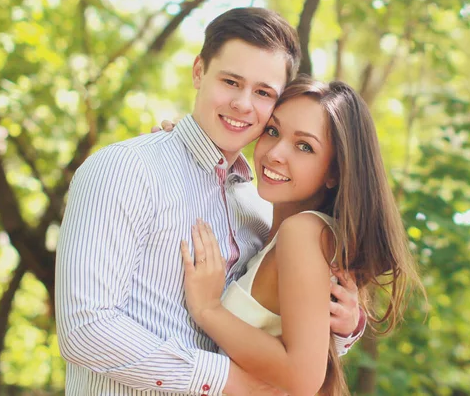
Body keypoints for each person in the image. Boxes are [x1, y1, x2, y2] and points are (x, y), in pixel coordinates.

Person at [55, 8, 364, 395]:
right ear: (199, 71)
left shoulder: (258, 211)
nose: (243, 104)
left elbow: (281, 342)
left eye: (264, 92)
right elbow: (85, 330)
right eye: (231, 81)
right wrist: (230, 383)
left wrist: (344, 325)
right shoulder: (126, 170)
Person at [178, 76, 425, 395]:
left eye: (304, 146)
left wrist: (208, 309)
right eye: (273, 131)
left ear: (335, 171)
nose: (275, 153)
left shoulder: (303, 232)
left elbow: (302, 377)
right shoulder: (282, 229)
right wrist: (180, 147)